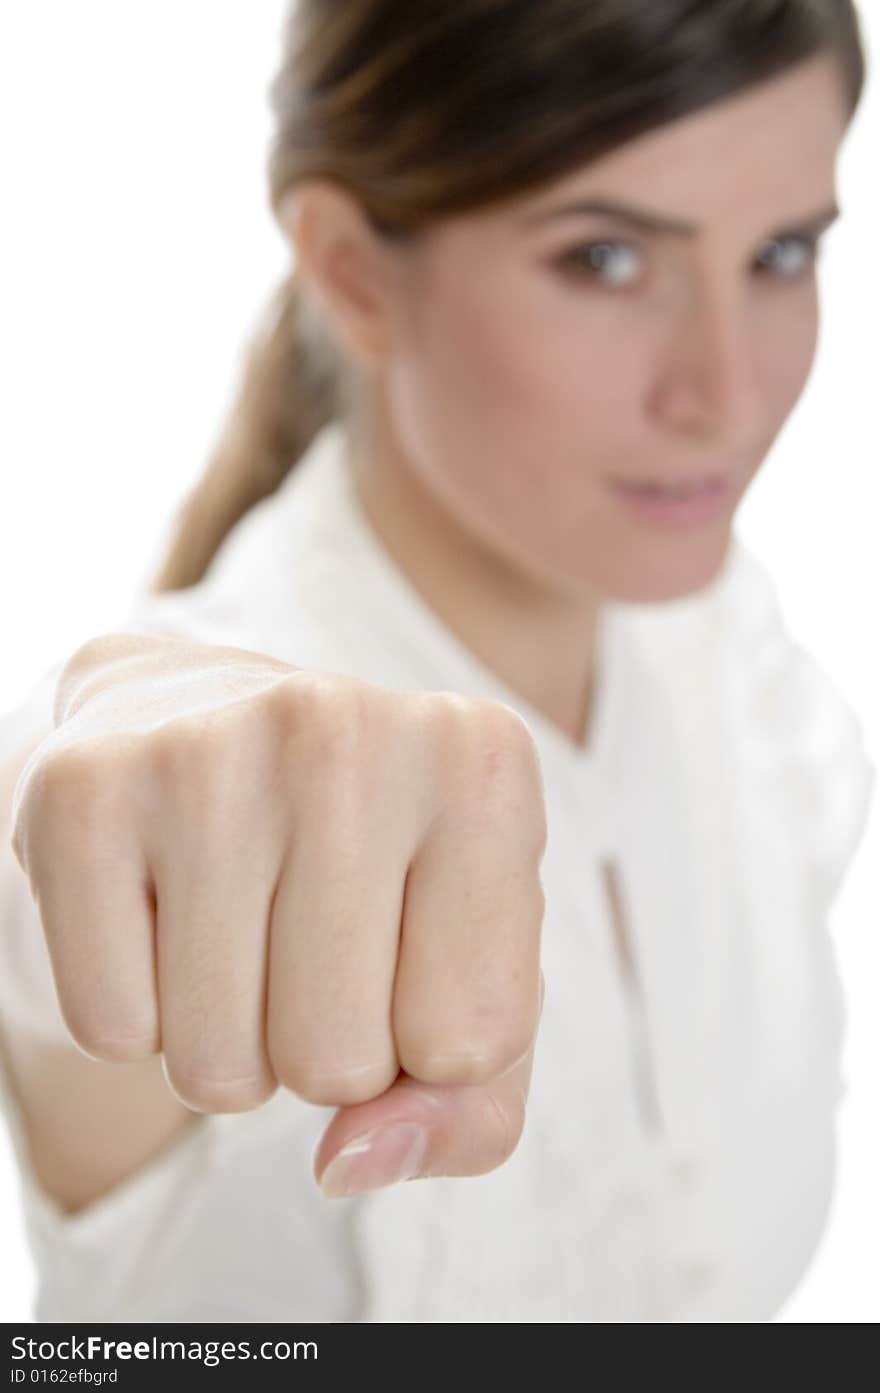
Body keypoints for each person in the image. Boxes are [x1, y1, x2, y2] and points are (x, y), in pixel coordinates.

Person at [0, 0, 875, 1324]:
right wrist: (96, 772)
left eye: (782, 253)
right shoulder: (223, 760)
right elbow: (73, 837)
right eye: (606, 261)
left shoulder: (739, 665)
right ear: (352, 273)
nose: (729, 392)